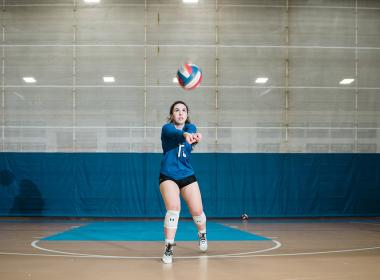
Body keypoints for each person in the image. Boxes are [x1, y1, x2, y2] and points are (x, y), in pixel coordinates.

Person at [159, 100, 207, 264]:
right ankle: (169, 247)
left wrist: (195, 136)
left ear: (187, 115)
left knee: (197, 211)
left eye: (184, 110)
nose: (180, 113)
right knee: (173, 209)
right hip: (168, 175)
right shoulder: (167, 129)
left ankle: (202, 233)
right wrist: (186, 136)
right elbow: (177, 134)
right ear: (172, 115)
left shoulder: (191, 127)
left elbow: (191, 132)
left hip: (187, 175)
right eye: (177, 110)